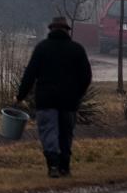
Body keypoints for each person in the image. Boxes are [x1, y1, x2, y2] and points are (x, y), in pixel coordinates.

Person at [15, 15, 93, 178]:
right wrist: (78, 94)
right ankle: (65, 166)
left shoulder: (42, 48)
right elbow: (86, 76)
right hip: (69, 100)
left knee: (48, 131)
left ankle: (53, 165)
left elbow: (30, 74)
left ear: (50, 30)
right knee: (66, 133)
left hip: (46, 100)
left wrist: (20, 96)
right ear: (67, 31)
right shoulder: (77, 49)